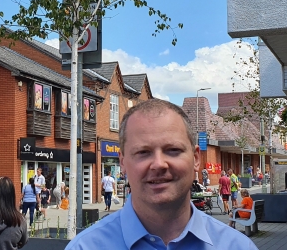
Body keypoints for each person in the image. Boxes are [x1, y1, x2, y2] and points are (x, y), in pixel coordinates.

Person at [66, 99, 257, 249]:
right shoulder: (84, 247)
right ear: (122, 162)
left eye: (173, 150)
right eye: (143, 152)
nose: (158, 164)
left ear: (196, 159)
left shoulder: (238, 246)